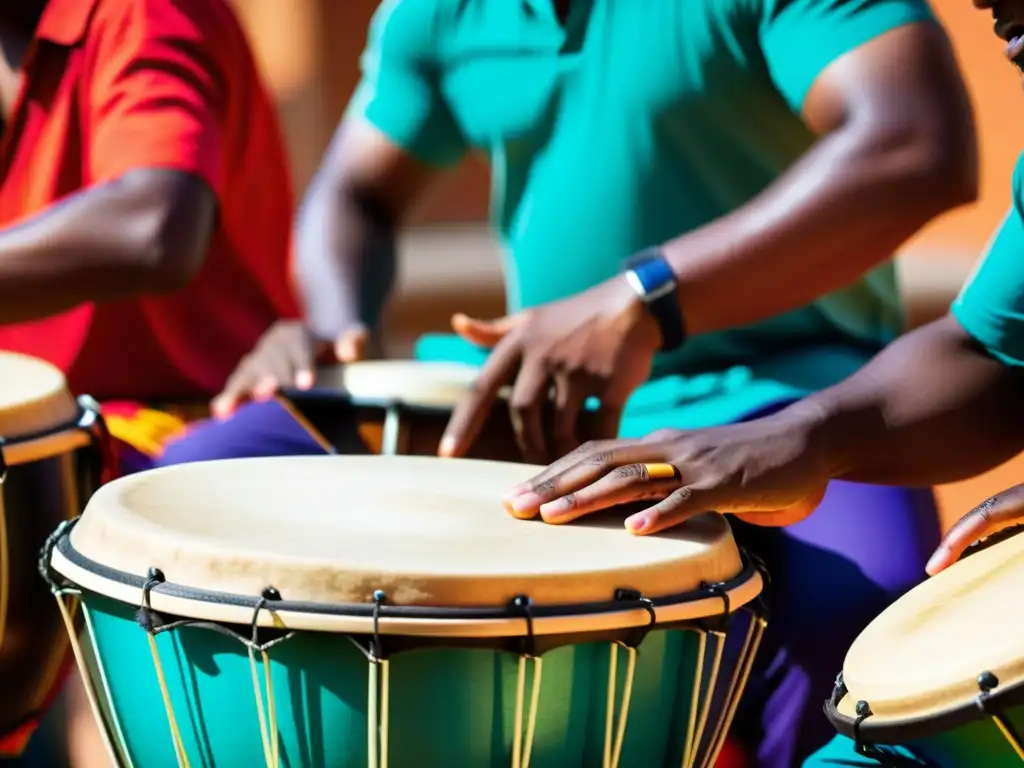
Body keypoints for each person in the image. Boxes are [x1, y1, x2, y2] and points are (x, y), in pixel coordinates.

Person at [187, 1, 978, 764]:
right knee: (191, 488)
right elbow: (355, 192)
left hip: (786, 393)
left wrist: (643, 301)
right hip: (534, 396)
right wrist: (335, 326)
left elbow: (914, 142)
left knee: (864, 624)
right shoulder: (434, 11)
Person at [502, 3, 1024, 764]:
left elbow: (917, 146)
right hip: (694, 411)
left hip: (804, 363)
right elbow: (991, 355)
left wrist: (649, 300)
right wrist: (806, 438)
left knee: (857, 602)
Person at [0, 0, 311, 762]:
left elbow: (154, 224)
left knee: (124, 531)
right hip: (52, 437)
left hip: (199, 421)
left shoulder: (142, 10)